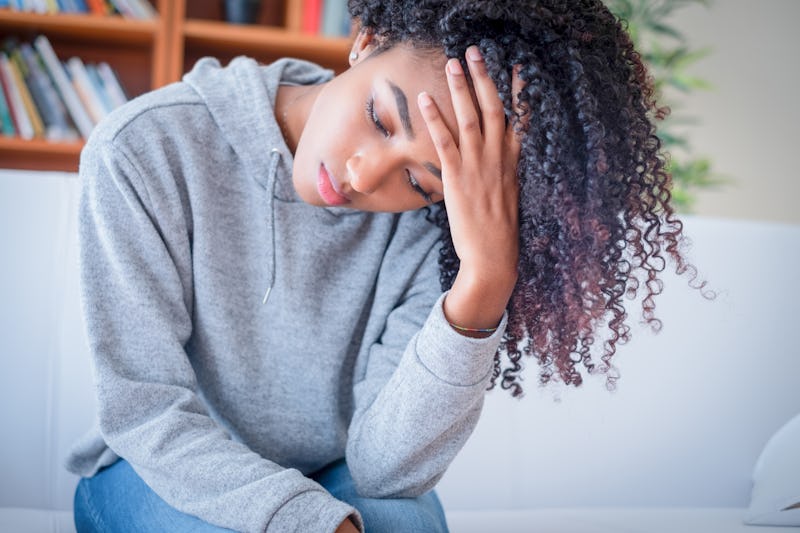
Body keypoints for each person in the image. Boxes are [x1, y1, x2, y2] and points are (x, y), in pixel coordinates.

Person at [66, 0, 699, 531]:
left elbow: (385, 471)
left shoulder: (439, 234)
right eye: (379, 117)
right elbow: (144, 412)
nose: (364, 175)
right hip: (156, 469)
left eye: (421, 184)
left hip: (333, 467)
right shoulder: (142, 150)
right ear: (365, 42)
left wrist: (483, 282)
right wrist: (306, 519)